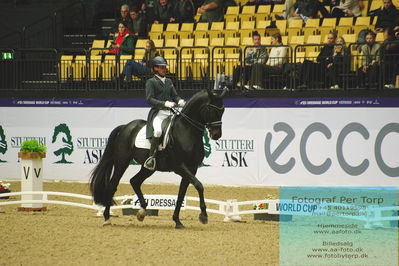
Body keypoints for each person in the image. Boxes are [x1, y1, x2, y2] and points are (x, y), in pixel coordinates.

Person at [144, 56, 186, 170]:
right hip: (158, 113)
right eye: (162, 67)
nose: (164, 69)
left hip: (170, 112)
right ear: (156, 68)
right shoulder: (151, 82)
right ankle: (151, 158)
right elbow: (149, 99)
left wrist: (180, 101)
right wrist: (164, 103)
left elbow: (175, 96)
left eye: (164, 67)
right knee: (157, 132)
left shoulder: (168, 81)